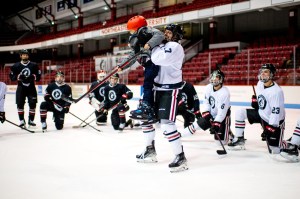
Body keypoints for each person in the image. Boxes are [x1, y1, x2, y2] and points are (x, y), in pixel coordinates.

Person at [136, 23, 188, 172]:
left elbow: (159, 59)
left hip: (168, 91)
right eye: (164, 32)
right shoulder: (162, 45)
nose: (166, 35)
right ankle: (149, 150)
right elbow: (151, 63)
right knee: (145, 119)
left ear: (176, 35)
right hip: (154, 88)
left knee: (166, 125)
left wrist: (150, 47)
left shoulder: (175, 47)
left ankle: (180, 157)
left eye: (169, 32)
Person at [228, 63, 287, 155]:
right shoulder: (260, 83)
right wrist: (256, 101)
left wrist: (270, 128)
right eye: (262, 71)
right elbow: (262, 99)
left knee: (275, 150)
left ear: (272, 74)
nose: (263, 74)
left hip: (274, 121)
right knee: (240, 112)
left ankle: (290, 144)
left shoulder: (276, 92)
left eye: (266, 72)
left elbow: (276, 113)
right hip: (261, 114)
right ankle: (239, 139)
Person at [119, 15, 164, 124]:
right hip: (147, 64)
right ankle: (149, 106)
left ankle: (147, 106)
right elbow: (133, 55)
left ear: (136, 27)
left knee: (148, 84)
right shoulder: (135, 39)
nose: (130, 32)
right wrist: (122, 65)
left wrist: (149, 44)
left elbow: (160, 35)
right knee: (148, 85)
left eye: (131, 30)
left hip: (153, 62)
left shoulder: (146, 31)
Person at [178, 70, 232, 145]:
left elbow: (222, 112)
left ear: (221, 79)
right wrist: (206, 112)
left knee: (221, 143)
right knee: (196, 125)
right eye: (213, 77)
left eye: (217, 77)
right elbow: (206, 101)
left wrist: (216, 123)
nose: (214, 79)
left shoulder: (224, 93)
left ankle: (230, 133)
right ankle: (178, 135)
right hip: (211, 114)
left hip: (223, 117)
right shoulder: (208, 87)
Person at [9, 49, 41, 128]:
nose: (25, 56)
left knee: (32, 104)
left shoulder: (34, 65)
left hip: (31, 88)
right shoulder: (16, 66)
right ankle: (21, 121)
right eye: (23, 54)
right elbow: (12, 77)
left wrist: (33, 76)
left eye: (26, 55)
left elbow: (39, 76)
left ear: (28, 56)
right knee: (20, 104)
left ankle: (31, 120)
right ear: (20, 56)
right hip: (21, 88)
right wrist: (18, 77)